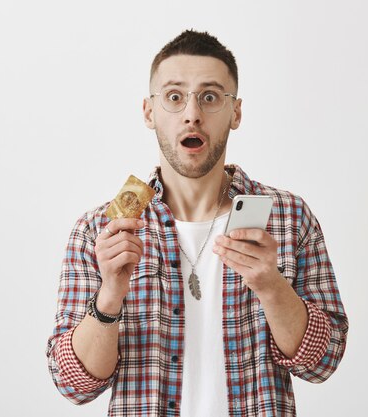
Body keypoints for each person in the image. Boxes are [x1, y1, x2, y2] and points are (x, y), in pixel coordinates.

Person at [46, 29, 348, 417]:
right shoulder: (100, 231)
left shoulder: (288, 217)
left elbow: (322, 363)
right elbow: (74, 385)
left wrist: (273, 288)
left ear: (235, 112)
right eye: (174, 97)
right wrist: (109, 298)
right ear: (149, 111)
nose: (192, 113)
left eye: (210, 97)